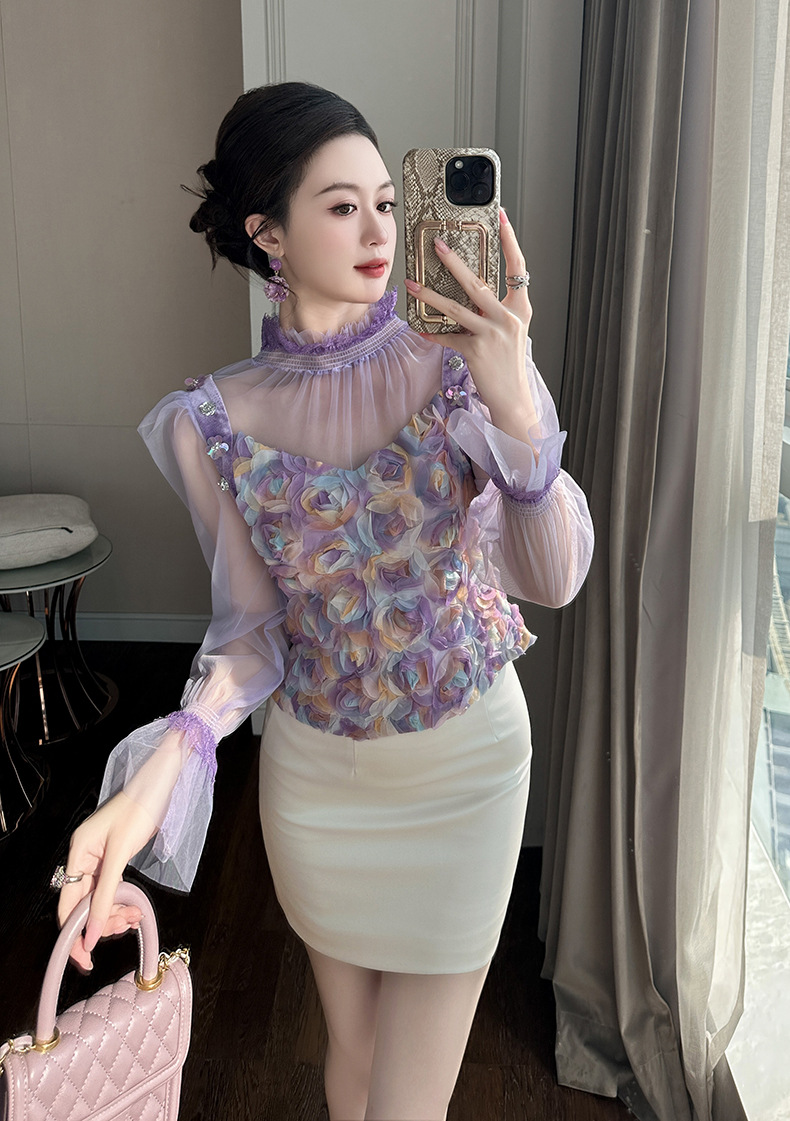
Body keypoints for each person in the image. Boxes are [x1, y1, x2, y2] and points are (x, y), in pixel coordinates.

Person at [55, 82, 594, 1121]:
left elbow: (553, 575)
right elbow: (250, 638)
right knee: (353, 1055)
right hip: (318, 786)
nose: (380, 231)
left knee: (408, 1101)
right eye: (342, 207)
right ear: (267, 232)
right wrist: (155, 778)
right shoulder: (211, 421)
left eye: (387, 202)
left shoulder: (462, 361)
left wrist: (514, 390)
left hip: (468, 771)